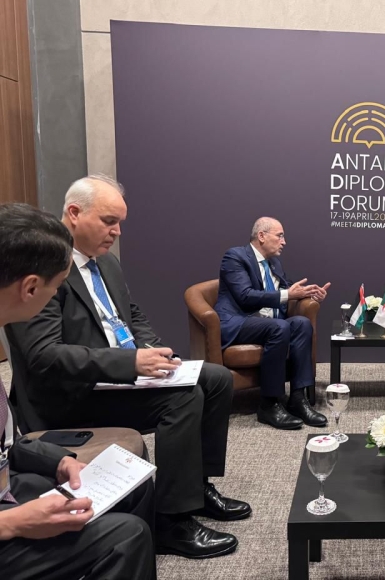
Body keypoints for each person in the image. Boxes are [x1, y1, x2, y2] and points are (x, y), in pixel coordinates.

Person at [5, 175, 250, 559]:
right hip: (74, 394)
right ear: (74, 213)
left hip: (120, 377)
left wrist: (154, 351)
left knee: (215, 378)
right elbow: (43, 357)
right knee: (182, 399)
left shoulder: (107, 263)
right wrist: (129, 362)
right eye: (108, 221)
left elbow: (131, 316)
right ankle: (172, 521)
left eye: (119, 222)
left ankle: (196, 488)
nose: (117, 232)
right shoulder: (45, 269)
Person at [0, 202, 155, 580]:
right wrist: (14, 523)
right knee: (126, 536)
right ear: (31, 287)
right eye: (56, 287)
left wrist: (60, 461)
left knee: (134, 489)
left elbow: (7, 446)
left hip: (9, 487)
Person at [215, 217, 329, 430]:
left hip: (268, 324)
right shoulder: (235, 257)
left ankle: (298, 399)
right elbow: (245, 296)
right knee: (280, 326)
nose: (284, 242)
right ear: (261, 236)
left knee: (302, 324)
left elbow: (288, 290)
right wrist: (288, 294)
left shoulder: (274, 263)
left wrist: (309, 294)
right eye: (280, 236)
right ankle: (269, 404)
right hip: (239, 322)